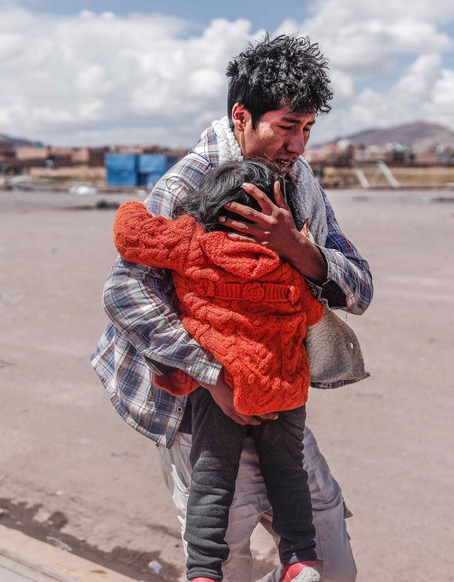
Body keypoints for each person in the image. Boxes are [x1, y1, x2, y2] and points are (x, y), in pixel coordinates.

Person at [92, 33, 373, 581]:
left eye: (308, 130)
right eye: (286, 127)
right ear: (242, 117)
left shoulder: (300, 183)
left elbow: (359, 288)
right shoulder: (190, 183)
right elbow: (123, 292)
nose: (298, 145)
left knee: (330, 565)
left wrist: (298, 249)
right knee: (224, 562)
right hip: (199, 408)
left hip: (274, 398)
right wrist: (213, 375)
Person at [113, 160, 325, 582]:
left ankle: (205, 571)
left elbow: (129, 232)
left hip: (220, 381)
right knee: (288, 473)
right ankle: (300, 559)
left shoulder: (192, 243)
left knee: (211, 479)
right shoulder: (285, 265)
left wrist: (137, 207)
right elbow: (313, 311)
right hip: (281, 388)